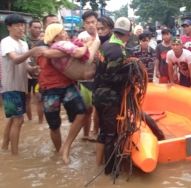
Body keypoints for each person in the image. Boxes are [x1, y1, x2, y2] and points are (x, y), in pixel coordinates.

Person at [36, 16, 87, 164]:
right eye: (59, 29)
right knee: (54, 125)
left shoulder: (67, 44)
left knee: (82, 112)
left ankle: (66, 147)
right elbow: (57, 53)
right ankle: (59, 151)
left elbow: (76, 52)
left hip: (67, 85)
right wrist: (82, 49)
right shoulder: (42, 47)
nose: (64, 32)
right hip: (49, 89)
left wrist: (81, 48)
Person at [93, 17, 132, 170]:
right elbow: (111, 77)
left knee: (103, 130)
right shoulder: (118, 50)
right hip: (109, 97)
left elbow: (98, 72)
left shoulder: (105, 45)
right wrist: (129, 74)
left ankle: (98, 164)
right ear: (127, 34)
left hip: (98, 95)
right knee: (111, 134)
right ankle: (109, 170)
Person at [1, 14, 40, 154]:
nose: (21, 28)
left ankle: (5, 146)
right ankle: (15, 155)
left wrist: (34, 70)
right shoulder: (6, 42)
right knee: (18, 120)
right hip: (9, 86)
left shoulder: (23, 43)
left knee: (13, 119)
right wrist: (33, 51)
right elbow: (16, 60)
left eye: (22, 25)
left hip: (21, 86)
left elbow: (26, 66)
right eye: (17, 25)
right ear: (9, 27)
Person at [77, 10, 100, 142]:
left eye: (93, 22)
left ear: (97, 22)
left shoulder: (102, 35)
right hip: (85, 79)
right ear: (84, 25)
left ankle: (96, 132)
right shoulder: (82, 37)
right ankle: (86, 134)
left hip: (100, 77)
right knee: (87, 110)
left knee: (99, 109)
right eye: (88, 23)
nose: (91, 25)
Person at [26, 19, 44, 123]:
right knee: (27, 99)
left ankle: (40, 123)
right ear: (29, 28)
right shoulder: (24, 42)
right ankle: (30, 121)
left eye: (39, 28)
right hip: (26, 75)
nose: (37, 30)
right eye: (35, 27)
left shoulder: (43, 42)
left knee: (39, 99)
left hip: (40, 76)